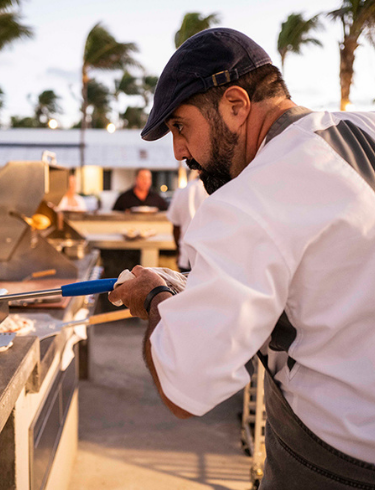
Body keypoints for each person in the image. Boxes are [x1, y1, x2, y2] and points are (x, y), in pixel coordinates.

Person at [108, 27, 375, 489]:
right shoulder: (362, 129)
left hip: (339, 462)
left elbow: (184, 387)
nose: (179, 152)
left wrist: (152, 295)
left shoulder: (250, 198)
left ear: (236, 104)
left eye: (180, 126)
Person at [166, 170, 208, 271]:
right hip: (208, 257)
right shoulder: (215, 191)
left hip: (186, 255)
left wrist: (178, 252)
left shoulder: (181, 192)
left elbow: (176, 227)